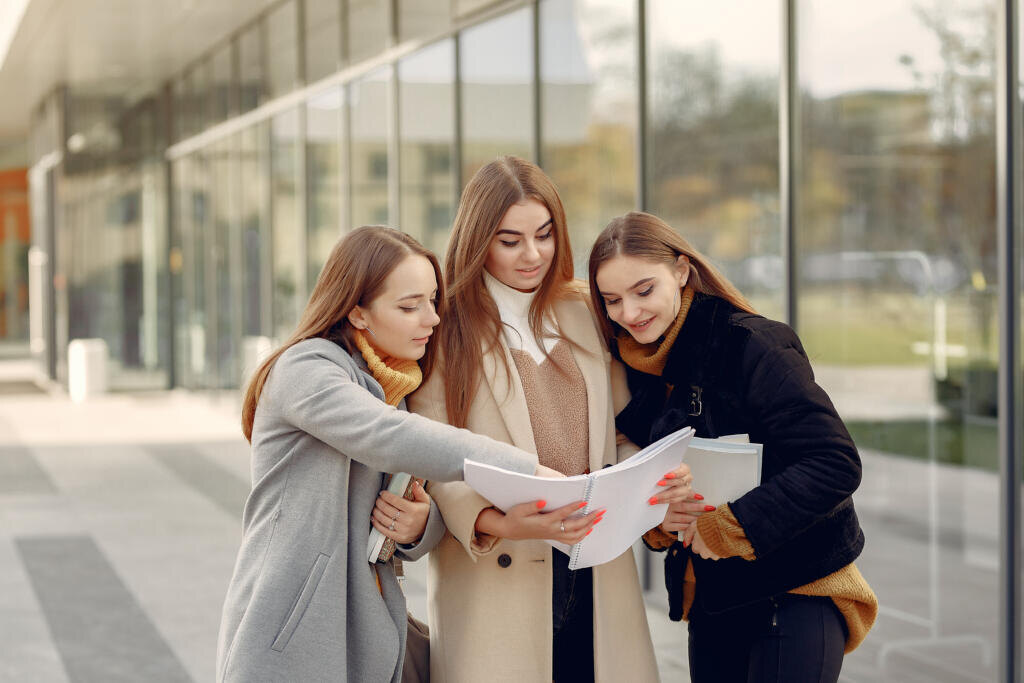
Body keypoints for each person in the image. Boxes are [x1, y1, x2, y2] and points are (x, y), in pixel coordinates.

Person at [216, 226, 554, 683]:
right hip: (290, 636)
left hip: (366, 628)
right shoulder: (305, 369)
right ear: (357, 312)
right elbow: (388, 436)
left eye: (432, 301)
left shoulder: (397, 386)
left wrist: (420, 525)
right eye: (409, 306)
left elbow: (400, 517)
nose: (432, 319)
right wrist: (528, 471)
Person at [408, 157, 686, 683]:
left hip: (596, 562)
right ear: (478, 240)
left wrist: (644, 481)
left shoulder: (586, 310)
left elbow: (621, 429)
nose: (533, 255)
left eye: (544, 234)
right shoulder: (445, 328)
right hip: (499, 569)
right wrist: (500, 523)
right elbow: (429, 454)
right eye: (510, 241)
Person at [588, 211, 878, 683]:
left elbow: (835, 462)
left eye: (644, 290)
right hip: (714, 599)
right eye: (612, 300)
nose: (630, 313)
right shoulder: (637, 368)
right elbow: (650, 471)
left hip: (797, 592)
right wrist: (659, 517)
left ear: (682, 271)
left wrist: (729, 526)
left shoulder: (752, 344)